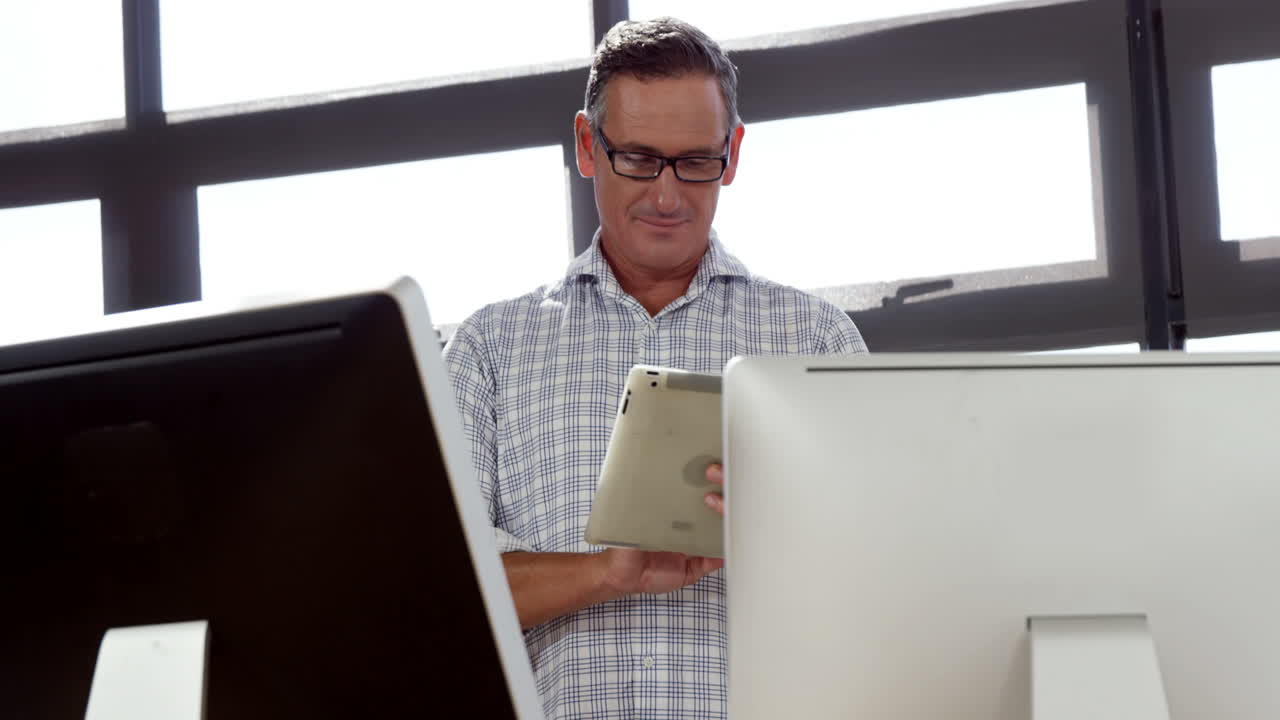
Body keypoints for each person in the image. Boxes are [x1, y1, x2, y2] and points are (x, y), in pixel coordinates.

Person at [443, 16, 867, 720]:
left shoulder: (815, 341)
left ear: (731, 154)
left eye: (696, 162)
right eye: (638, 159)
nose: (668, 196)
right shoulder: (491, 349)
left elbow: (876, 583)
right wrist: (607, 572)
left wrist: (785, 527)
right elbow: (442, 592)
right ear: (587, 145)